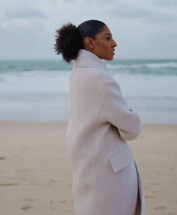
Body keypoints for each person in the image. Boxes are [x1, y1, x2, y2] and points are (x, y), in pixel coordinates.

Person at [54, 20, 145, 215]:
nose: (114, 44)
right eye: (108, 38)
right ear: (90, 43)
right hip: (108, 170)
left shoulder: (78, 73)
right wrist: (131, 114)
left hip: (89, 163)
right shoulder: (100, 78)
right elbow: (132, 129)